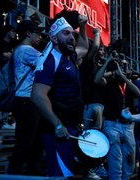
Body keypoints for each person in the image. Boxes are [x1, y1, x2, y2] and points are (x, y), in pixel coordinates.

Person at [31, 14, 88, 177]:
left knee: (70, 172)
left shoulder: (70, 56)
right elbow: (37, 95)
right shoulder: (50, 60)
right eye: (66, 33)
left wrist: (83, 27)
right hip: (57, 130)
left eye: (72, 34)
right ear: (54, 40)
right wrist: (57, 125)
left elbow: (84, 47)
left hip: (70, 128)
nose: (71, 37)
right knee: (62, 175)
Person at [93, 49, 140, 180]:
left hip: (127, 125)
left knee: (130, 161)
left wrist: (123, 76)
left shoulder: (126, 82)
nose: (120, 67)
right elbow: (97, 80)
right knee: (116, 162)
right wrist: (109, 62)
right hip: (112, 124)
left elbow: (138, 93)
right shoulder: (107, 82)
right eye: (117, 65)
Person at [7, 20, 45, 175]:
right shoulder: (26, 50)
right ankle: (15, 173)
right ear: (28, 33)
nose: (41, 36)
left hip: (24, 100)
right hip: (26, 101)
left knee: (31, 142)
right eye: (37, 33)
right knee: (28, 143)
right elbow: (47, 63)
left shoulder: (20, 50)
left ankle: (25, 172)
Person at [80, 28, 108, 179]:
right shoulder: (88, 61)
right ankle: (89, 170)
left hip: (97, 105)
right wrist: (97, 34)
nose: (102, 52)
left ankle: (94, 167)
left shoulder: (97, 66)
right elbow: (95, 46)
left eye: (104, 50)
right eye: (102, 49)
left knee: (95, 138)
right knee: (89, 139)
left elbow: (100, 80)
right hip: (90, 104)